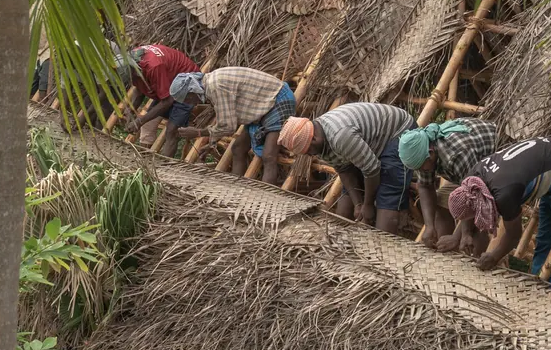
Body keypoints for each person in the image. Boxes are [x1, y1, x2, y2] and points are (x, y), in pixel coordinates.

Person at [444, 136, 551, 290]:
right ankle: (537, 288)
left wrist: (494, 256)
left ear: (477, 207)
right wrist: (466, 234)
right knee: (544, 241)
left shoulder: (504, 194)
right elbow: (468, 204)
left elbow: (514, 235)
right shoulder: (472, 180)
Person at [279, 102, 414, 232]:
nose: (309, 155)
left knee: (387, 197)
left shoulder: (340, 136)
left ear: (314, 139)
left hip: (399, 133)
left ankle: (384, 250)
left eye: (308, 150)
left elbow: (372, 169)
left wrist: (368, 205)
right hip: (370, 144)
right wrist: (358, 204)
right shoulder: (319, 138)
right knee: (344, 211)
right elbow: (344, 169)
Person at [171, 66, 295, 183]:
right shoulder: (211, 83)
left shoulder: (215, 86)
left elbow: (228, 126)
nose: (193, 104)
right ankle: (237, 189)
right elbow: (226, 120)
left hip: (277, 100)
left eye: (188, 99)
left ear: (192, 91)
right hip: (261, 108)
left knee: (268, 156)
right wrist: (211, 143)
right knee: (238, 148)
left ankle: (266, 200)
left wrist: (198, 132)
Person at [397, 118, 500, 248]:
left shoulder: (456, 155)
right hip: (469, 175)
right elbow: (424, 186)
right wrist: (429, 226)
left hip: (496, 173)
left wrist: (460, 236)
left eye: (422, 167)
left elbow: (475, 195)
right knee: (441, 201)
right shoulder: (425, 150)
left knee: (479, 223)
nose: (421, 171)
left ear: (431, 153)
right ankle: (444, 249)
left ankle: (476, 260)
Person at [124, 43, 201, 153]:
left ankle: (165, 166)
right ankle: (144, 159)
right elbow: (139, 87)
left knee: (172, 131)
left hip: (188, 84)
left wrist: (139, 121)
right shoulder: (132, 60)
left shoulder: (154, 66)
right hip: (169, 82)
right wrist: (131, 110)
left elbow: (167, 101)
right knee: (148, 123)